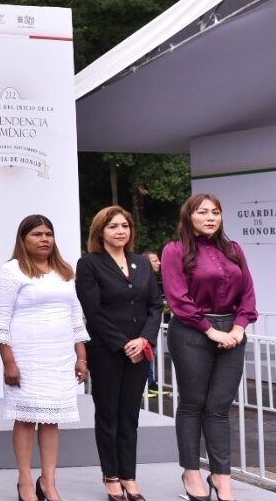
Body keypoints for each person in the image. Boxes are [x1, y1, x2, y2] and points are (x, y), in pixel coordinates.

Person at [162, 193, 255, 501]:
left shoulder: (234, 250)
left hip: (233, 333)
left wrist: (239, 327)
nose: (211, 217)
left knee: (218, 408)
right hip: (192, 332)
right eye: (203, 212)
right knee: (192, 404)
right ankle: (191, 473)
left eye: (216, 212)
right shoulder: (174, 251)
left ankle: (221, 477)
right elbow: (178, 299)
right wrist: (211, 331)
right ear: (189, 217)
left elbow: (248, 295)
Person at [0, 214, 89, 501]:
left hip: (59, 357)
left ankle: (48, 482)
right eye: (37, 234)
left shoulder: (64, 271)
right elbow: (0, 319)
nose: (44, 239)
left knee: (51, 420)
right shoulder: (11, 272)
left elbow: (75, 316)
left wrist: (81, 356)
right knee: (25, 419)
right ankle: (24, 481)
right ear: (23, 239)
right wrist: (8, 361)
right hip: (26, 357)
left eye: (49, 233)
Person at [74, 207, 162, 501]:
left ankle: (129, 476)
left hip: (140, 349)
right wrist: (124, 343)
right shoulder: (89, 264)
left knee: (130, 416)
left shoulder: (141, 263)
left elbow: (154, 306)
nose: (120, 231)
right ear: (100, 231)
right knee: (108, 415)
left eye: (124, 226)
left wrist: (144, 339)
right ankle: (111, 476)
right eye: (113, 226)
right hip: (107, 350)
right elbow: (93, 311)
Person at [140, 250, 165, 397]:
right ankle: (146, 386)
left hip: (149, 328)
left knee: (150, 355)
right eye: (155, 260)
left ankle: (150, 383)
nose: (159, 263)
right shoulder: (140, 280)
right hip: (142, 329)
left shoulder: (150, 279)